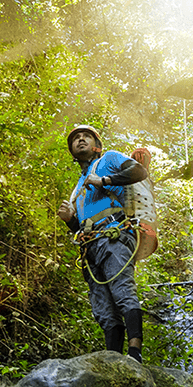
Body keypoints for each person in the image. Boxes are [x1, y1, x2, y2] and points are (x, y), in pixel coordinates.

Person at [57, 124, 148, 362]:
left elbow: (139, 172)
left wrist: (104, 180)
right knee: (104, 310)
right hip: (90, 248)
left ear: (96, 144)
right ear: (72, 151)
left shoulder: (109, 159)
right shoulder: (77, 188)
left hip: (113, 235)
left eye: (86, 136)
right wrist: (70, 221)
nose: (80, 140)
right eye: (75, 138)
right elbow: (79, 227)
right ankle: (112, 361)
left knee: (122, 291)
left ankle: (135, 354)